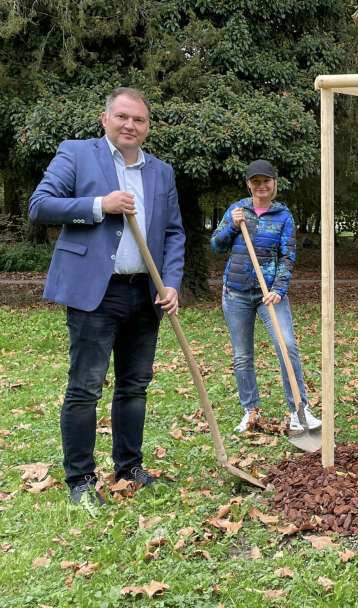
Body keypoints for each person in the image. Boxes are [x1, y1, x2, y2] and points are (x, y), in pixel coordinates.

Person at [29, 87, 186, 509]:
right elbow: (40, 206)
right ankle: (80, 479)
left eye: (139, 120)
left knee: (135, 386)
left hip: (144, 294)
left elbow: (172, 233)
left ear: (148, 127)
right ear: (105, 119)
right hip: (94, 292)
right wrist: (101, 204)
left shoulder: (161, 172)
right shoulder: (77, 154)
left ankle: (128, 466)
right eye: (122, 117)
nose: (130, 125)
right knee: (85, 387)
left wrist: (169, 282)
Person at [211, 160, 321, 434]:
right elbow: (216, 244)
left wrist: (278, 290)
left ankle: (299, 410)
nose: (261, 186)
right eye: (256, 182)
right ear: (249, 185)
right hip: (235, 293)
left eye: (266, 181)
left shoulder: (283, 216)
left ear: (275, 184)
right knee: (242, 355)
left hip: (269, 295)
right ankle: (250, 411)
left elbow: (288, 255)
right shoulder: (237, 211)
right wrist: (232, 227)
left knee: (287, 346)